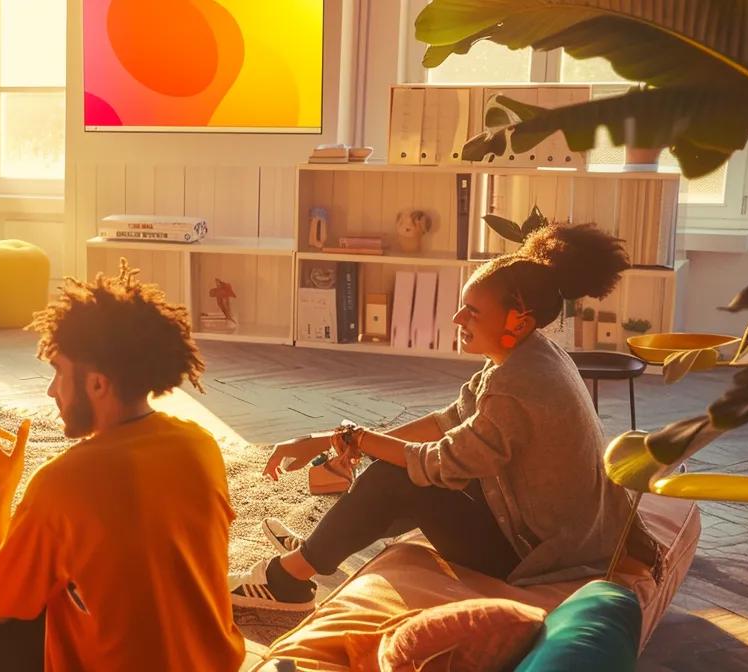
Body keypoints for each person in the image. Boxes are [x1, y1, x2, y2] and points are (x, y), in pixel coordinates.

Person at [231, 225, 650, 610]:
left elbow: (437, 463)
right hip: (563, 532)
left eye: (472, 311)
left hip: (542, 555)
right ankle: (318, 548)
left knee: (394, 479)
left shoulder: (519, 383)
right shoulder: (530, 355)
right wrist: (328, 441)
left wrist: (359, 440)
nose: (457, 320)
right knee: (391, 468)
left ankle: (286, 581)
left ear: (516, 321)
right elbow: (448, 421)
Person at [0, 260, 244, 671]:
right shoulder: (201, 446)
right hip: (211, 664)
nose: (51, 390)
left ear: (97, 384)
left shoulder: (63, 482)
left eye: (59, 373)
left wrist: (2, 489)